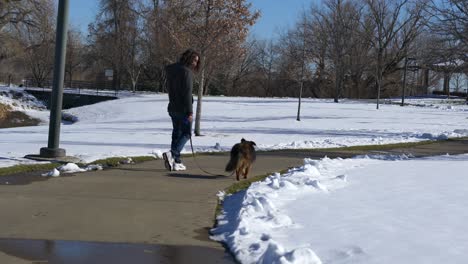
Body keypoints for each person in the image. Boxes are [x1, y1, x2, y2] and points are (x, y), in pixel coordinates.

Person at [163, 49, 200, 171]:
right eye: (194, 60)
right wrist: (189, 112)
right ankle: (172, 154)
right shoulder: (186, 72)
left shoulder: (171, 69)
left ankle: (176, 161)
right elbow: (187, 93)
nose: (195, 63)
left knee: (176, 133)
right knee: (187, 133)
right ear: (188, 58)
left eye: (196, 61)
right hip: (183, 109)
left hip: (172, 107)